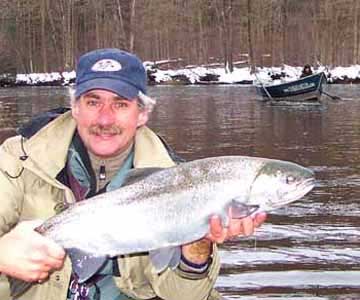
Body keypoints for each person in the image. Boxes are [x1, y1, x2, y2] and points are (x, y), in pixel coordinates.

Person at [0, 48, 267, 300]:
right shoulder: (17, 160)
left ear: (142, 114)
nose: (104, 119)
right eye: (93, 102)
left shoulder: (178, 182)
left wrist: (198, 245)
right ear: (75, 108)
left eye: (120, 104)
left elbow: (180, 296)